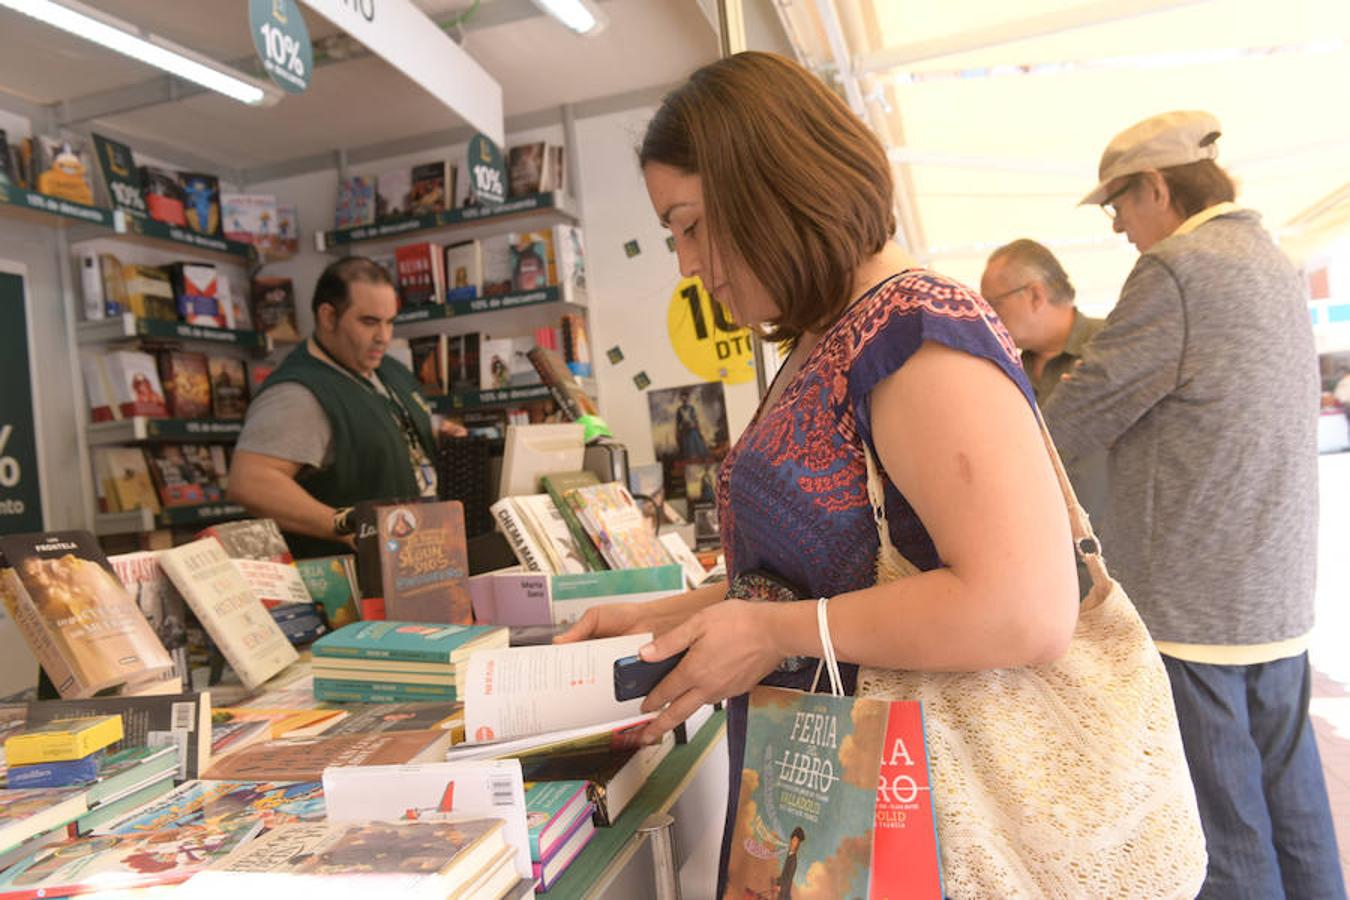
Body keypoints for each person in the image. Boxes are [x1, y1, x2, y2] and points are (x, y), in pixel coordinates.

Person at [558, 51, 1078, 892]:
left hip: (925, 823)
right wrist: (659, 618)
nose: (686, 265)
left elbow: (1024, 609)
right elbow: (828, 574)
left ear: (767, 183)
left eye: (690, 224)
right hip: (837, 800)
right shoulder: (829, 336)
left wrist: (768, 634)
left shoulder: (913, 333)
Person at [1041, 110, 1343, 898]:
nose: (1118, 228)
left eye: (1118, 206)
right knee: (1295, 805)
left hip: (1195, 601)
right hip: (1275, 596)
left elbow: (1079, 414)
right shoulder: (1270, 260)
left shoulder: (1176, 270)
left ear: (1157, 189)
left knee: (1221, 830)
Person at [229, 256, 456, 558]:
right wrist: (342, 526)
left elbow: (372, 430)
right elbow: (250, 482)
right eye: (369, 322)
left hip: (417, 559)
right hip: (354, 586)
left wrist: (436, 431)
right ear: (328, 317)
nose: (384, 337)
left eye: (390, 322)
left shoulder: (388, 371)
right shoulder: (298, 393)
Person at [980, 239, 1110, 579]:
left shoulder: (1109, 348)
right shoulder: (1002, 372)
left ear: (1036, 294)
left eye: (994, 303)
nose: (988, 316)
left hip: (1115, 558)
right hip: (1045, 564)